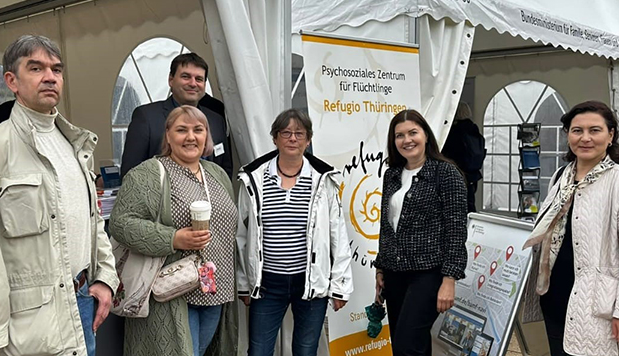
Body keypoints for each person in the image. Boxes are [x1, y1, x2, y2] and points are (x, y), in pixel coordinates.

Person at [0, 35, 118, 356]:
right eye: (36, 68)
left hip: (83, 301)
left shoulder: (77, 145)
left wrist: (106, 280)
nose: (50, 77)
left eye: (56, 69)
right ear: (11, 81)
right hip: (30, 321)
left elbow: (93, 221)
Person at [523, 101, 619, 356]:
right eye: (577, 131)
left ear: (611, 135)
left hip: (597, 306)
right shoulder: (561, 176)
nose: (585, 138)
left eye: (595, 130)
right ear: (568, 135)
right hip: (554, 298)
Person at [110, 105, 238, 356]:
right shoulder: (148, 173)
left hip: (215, 289)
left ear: (206, 136)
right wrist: (173, 238)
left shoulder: (217, 174)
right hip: (172, 292)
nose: (191, 137)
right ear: (168, 135)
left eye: (198, 130)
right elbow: (121, 223)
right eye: (182, 130)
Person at [236, 109, 353, 356]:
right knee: (258, 351)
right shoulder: (254, 179)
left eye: (299, 133)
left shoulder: (323, 180)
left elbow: (337, 234)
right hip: (267, 284)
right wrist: (244, 283)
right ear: (275, 138)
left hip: (309, 283)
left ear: (308, 140)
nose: (292, 138)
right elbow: (242, 235)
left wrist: (340, 285)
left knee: (305, 350)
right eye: (286, 133)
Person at [374, 109, 467, 356]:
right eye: (399, 135)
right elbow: (387, 225)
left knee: (408, 346)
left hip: (428, 274)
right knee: (409, 345)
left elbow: (456, 230)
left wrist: (449, 279)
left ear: (426, 134)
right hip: (395, 273)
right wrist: (381, 267)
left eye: (413, 132)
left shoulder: (446, 173)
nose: (407, 140)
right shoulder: (392, 175)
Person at [120, 53, 232, 177]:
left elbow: (225, 169)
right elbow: (131, 173)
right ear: (171, 80)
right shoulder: (146, 117)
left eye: (199, 79)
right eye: (186, 77)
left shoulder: (216, 120)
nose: (193, 83)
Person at [441, 102, 486, 213]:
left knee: (455, 206)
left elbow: (448, 153)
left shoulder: (454, 131)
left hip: (458, 173)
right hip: (473, 174)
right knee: (469, 204)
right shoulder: (473, 129)